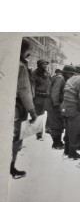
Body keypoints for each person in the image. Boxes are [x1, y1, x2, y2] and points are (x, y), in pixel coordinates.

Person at [10, 38, 38, 179]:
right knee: (15, 137)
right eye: (28, 52)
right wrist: (32, 111)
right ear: (22, 51)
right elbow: (24, 90)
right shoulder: (21, 66)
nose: (29, 54)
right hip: (17, 107)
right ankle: (11, 167)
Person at [47, 65, 76, 149]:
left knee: (59, 123)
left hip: (56, 104)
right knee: (56, 124)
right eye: (72, 74)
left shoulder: (63, 78)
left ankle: (58, 142)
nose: (73, 76)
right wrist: (56, 105)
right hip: (54, 105)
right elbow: (55, 93)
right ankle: (56, 143)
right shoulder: (60, 78)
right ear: (67, 73)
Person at [31, 59, 51, 140]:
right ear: (39, 65)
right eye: (44, 64)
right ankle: (39, 135)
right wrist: (41, 94)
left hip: (47, 98)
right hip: (38, 98)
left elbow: (51, 84)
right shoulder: (34, 74)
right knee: (39, 116)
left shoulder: (48, 73)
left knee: (51, 113)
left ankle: (48, 129)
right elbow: (32, 88)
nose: (45, 66)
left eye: (46, 64)